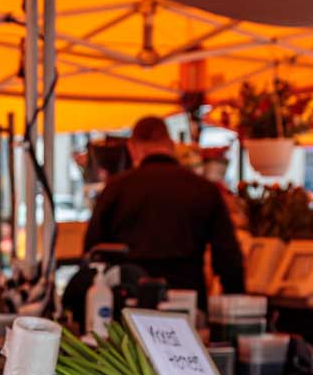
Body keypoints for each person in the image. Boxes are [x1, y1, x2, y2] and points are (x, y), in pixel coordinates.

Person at [81, 115, 245, 302]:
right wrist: (236, 306)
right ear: (171, 145)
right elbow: (228, 257)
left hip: (129, 301)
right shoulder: (204, 189)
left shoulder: (116, 188)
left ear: (132, 148)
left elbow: (93, 250)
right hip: (186, 299)